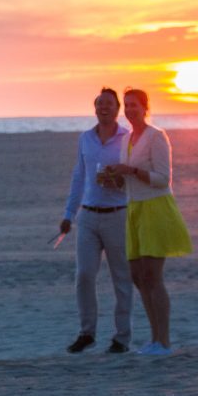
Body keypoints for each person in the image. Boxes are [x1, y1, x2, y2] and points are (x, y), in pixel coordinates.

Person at [108, 88, 192, 356]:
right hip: (134, 209)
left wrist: (130, 170)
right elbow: (129, 182)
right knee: (137, 276)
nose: (131, 110)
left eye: (135, 105)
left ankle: (163, 341)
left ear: (145, 108)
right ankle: (154, 338)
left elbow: (161, 178)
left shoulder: (157, 136)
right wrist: (116, 178)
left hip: (156, 208)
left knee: (153, 276)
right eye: (127, 106)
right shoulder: (126, 139)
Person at [59, 88, 134, 354]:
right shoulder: (86, 138)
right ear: (95, 107)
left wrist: (120, 178)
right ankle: (86, 332)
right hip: (88, 216)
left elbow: (135, 175)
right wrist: (69, 214)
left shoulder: (127, 138)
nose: (104, 107)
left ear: (117, 109)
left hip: (118, 213)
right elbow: (79, 176)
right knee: (84, 275)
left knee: (121, 278)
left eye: (109, 104)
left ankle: (121, 338)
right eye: (100, 103)